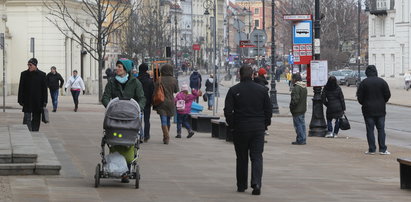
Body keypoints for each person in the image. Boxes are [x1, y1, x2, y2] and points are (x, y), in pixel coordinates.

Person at [224, 65, 272, 195]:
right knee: (257, 156)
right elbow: (268, 110)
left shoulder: (234, 90)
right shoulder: (262, 90)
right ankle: (256, 183)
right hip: (257, 127)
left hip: (240, 127)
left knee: (241, 157)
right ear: (252, 75)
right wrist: (265, 124)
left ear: (239, 75)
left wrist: (232, 124)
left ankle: (241, 185)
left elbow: (228, 111)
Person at [102, 59, 146, 183]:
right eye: (117, 66)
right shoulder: (112, 82)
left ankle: (125, 170)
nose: (117, 68)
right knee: (114, 141)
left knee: (128, 142)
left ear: (126, 69)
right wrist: (110, 106)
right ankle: (115, 167)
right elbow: (105, 96)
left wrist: (138, 109)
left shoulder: (135, 82)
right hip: (115, 117)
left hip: (130, 118)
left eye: (119, 66)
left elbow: (142, 98)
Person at [357, 65, 391, 155]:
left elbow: (360, 97)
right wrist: (383, 102)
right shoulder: (382, 82)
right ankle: (383, 149)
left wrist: (364, 103)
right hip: (380, 109)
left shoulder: (364, 83)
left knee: (370, 130)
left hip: (368, 110)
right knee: (381, 130)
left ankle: (372, 149)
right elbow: (387, 95)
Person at [18, 58, 48, 131]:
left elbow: (44, 90)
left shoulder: (42, 75)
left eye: (30, 65)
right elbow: (21, 87)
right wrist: (20, 100)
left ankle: (35, 131)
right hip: (27, 100)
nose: (29, 66)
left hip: (38, 100)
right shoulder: (24, 74)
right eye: (28, 65)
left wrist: (45, 101)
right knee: (27, 117)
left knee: (36, 117)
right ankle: (27, 131)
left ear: (35, 65)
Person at [154, 64, 179, 144]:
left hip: (161, 102)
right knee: (168, 119)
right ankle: (166, 136)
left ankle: (166, 136)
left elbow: (155, 90)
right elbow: (176, 90)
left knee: (163, 120)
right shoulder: (174, 80)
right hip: (170, 102)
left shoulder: (159, 79)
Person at [137, 63, 154, 143]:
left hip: (138, 102)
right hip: (147, 102)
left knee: (138, 119)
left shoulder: (136, 79)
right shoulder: (150, 80)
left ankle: (140, 135)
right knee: (147, 120)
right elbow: (152, 92)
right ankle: (146, 136)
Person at [290, 73, 307, 145]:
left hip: (297, 109)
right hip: (302, 108)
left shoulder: (296, 88)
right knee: (302, 125)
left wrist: (292, 107)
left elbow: (295, 100)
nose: (291, 80)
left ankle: (301, 139)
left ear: (294, 79)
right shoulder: (303, 87)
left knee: (298, 125)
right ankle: (303, 138)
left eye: (292, 79)